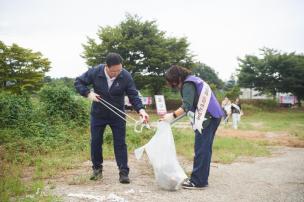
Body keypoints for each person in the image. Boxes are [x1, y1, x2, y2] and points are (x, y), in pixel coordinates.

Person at [74, 53, 149, 184]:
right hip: (98, 114)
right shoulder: (96, 71)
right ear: (106, 67)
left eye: (119, 70)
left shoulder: (125, 75)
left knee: (120, 143)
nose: (117, 73)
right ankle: (97, 170)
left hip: (118, 114)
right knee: (96, 142)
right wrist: (88, 93)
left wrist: (141, 110)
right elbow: (78, 82)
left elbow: (133, 94)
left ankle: (123, 172)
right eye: (114, 71)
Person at [161, 65, 224, 190]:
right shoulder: (194, 80)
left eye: (172, 81)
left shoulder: (188, 84)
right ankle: (202, 179)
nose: (172, 84)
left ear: (178, 78)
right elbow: (188, 109)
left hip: (208, 117)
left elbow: (186, 106)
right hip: (214, 115)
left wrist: (171, 115)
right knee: (205, 148)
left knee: (201, 148)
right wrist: (171, 120)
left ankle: (198, 181)